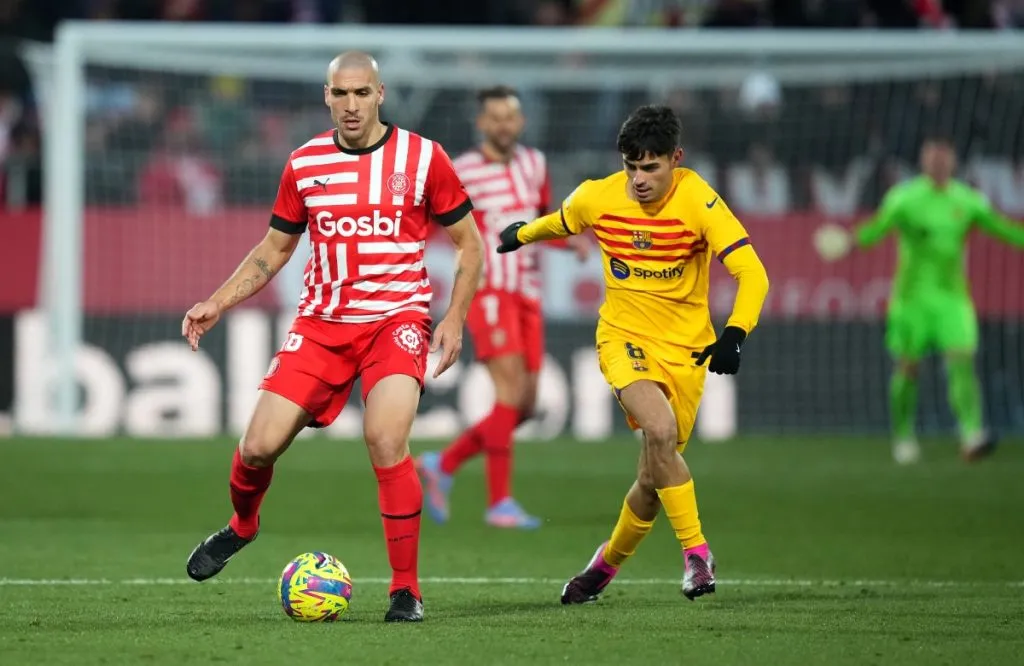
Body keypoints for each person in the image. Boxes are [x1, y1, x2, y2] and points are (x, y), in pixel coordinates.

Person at [181, 52, 483, 623]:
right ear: (326, 96)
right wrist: (216, 302)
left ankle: (406, 591)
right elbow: (274, 249)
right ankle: (243, 526)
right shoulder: (304, 163)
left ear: (380, 94)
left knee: (386, 439)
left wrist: (454, 316)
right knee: (257, 448)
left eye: (361, 94)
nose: (351, 105)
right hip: (321, 328)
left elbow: (470, 243)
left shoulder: (423, 158)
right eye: (340, 94)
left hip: (397, 321)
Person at [495, 105, 769, 603]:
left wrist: (734, 334)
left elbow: (753, 273)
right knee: (659, 431)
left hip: (687, 351)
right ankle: (697, 555)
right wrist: (521, 234)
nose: (639, 179)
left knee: (652, 476)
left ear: (675, 159)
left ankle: (603, 567)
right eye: (631, 167)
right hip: (624, 338)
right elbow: (562, 220)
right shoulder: (599, 196)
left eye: (651, 167)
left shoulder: (699, 202)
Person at [417, 85, 590, 530]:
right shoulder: (463, 169)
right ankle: (500, 503)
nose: (502, 125)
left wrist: (574, 243)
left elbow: (541, 219)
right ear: (481, 123)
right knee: (509, 396)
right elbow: (442, 225)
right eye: (494, 117)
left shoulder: (536, 164)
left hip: (529, 292)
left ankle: (443, 464)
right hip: (489, 291)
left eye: (509, 117)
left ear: (521, 121)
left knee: (526, 405)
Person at [813, 134, 1024, 465]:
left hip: (952, 299)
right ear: (924, 161)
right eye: (932, 156)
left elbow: (1004, 230)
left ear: (952, 161)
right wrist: (849, 243)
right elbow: (876, 230)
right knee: (909, 368)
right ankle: (904, 435)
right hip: (911, 301)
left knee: (961, 361)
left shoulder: (969, 202)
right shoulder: (904, 200)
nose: (939, 162)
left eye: (944, 156)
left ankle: (971, 433)